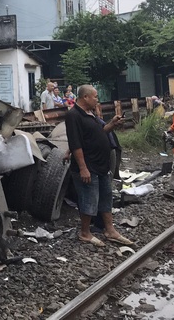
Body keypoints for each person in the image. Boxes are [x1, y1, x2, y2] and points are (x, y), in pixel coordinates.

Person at [65, 84, 133, 247]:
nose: (97, 99)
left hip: (101, 165)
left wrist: (112, 123)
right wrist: (82, 167)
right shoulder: (74, 115)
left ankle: (110, 230)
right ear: (85, 97)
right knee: (89, 199)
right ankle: (85, 233)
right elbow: (76, 144)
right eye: (95, 96)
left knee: (105, 196)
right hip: (88, 166)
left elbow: (101, 131)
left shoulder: (91, 113)